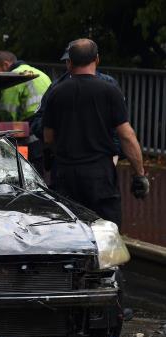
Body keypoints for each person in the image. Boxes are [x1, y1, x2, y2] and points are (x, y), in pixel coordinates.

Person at [42, 39, 149, 228]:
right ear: (97, 59)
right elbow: (127, 136)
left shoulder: (56, 92)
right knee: (106, 231)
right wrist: (139, 174)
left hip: (65, 174)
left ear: (70, 62)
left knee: (69, 229)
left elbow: (48, 137)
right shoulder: (109, 90)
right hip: (99, 174)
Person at [31, 43, 124, 173]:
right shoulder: (56, 88)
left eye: (70, 60)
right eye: (67, 61)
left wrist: (114, 154)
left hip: (99, 161)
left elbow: (117, 126)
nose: (69, 64)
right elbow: (38, 122)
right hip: (66, 160)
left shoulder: (109, 85)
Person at [0, 51, 51, 174]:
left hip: (30, 128)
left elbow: (7, 111)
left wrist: (1, 132)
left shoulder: (13, 77)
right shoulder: (39, 73)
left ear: (5, 65)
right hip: (46, 128)